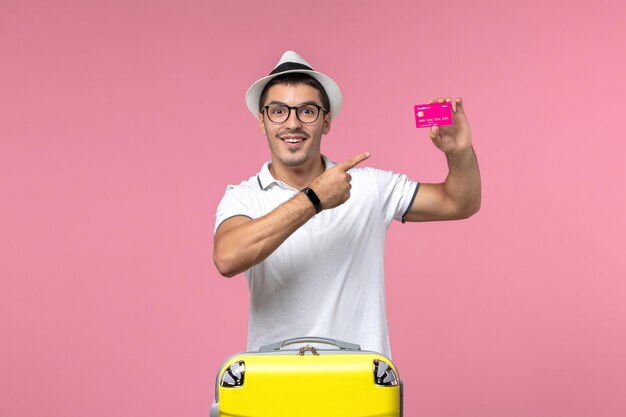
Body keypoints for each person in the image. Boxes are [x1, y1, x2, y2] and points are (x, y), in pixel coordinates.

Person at [213, 51, 481, 358]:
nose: (293, 123)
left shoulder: (370, 186)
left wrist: (460, 154)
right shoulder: (244, 196)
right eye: (278, 111)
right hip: (275, 386)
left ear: (326, 122)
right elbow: (227, 258)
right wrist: (314, 199)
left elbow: (460, 202)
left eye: (307, 111)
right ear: (262, 121)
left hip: (360, 387)